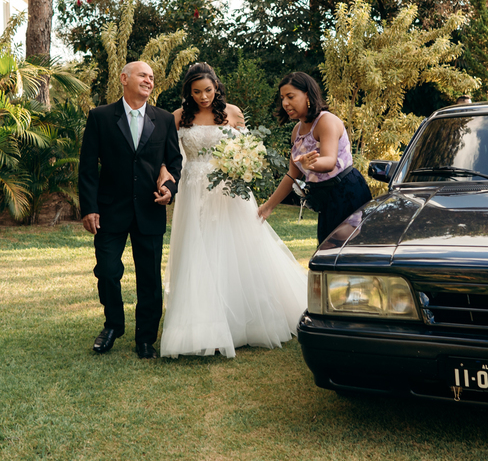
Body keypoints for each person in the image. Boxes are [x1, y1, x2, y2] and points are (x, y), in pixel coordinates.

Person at [158, 63, 307, 359]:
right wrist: (165, 174)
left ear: (217, 86)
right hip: (193, 191)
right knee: (197, 251)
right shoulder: (177, 117)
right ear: (188, 91)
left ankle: (240, 322)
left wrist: (244, 166)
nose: (203, 97)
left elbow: (249, 148)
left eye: (208, 91)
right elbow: (167, 156)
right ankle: (204, 326)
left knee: (233, 249)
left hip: (229, 191)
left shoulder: (233, 113)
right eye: (197, 92)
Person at [78, 61, 182, 359]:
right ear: (124, 79)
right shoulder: (100, 117)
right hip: (110, 210)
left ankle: (146, 338)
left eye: (151, 77)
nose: (149, 80)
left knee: (149, 278)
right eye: (142, 75)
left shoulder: (163, 120)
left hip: (150, 208)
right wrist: (90, 207)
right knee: (108, 271)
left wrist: (169, 190)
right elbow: (87, 168)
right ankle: (113, 326)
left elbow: (174, 164)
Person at [257, 72, 373, 244]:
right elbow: (292, 175)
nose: (285, 103)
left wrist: (311, 164)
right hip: (325, 200)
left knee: (344, 256)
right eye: (282, 98)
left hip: (347, 193)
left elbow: (329, 161)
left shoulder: (326, 121)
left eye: (290, 96)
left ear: (308, 95)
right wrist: (268, 207)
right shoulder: (296, 131)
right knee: (327, 257)